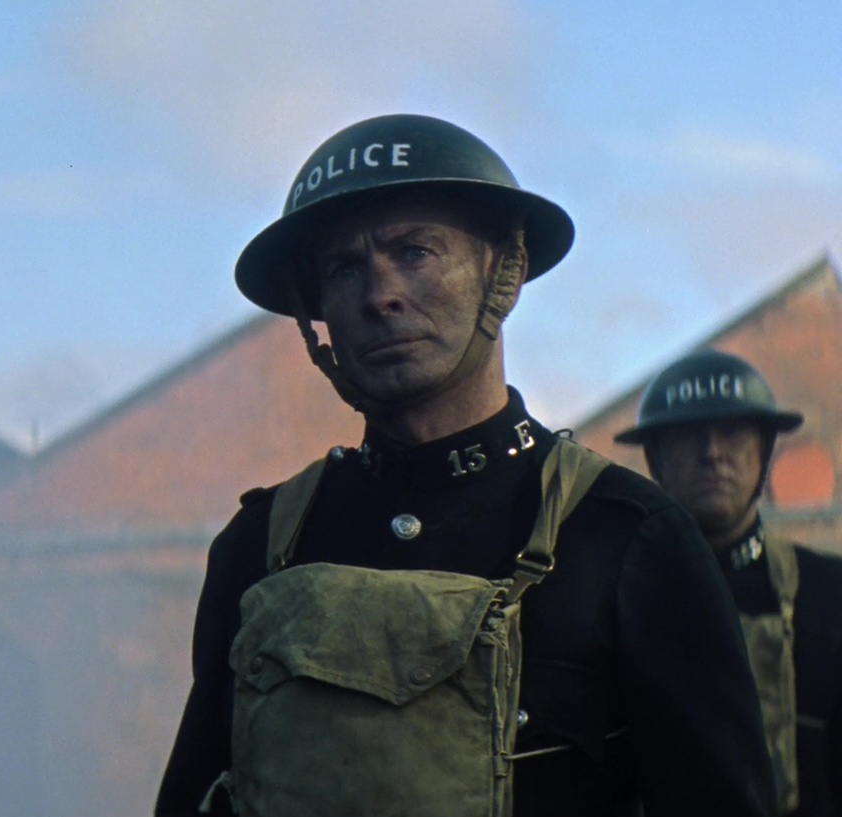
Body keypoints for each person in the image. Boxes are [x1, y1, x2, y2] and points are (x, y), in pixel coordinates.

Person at [153, 113, 775, 816]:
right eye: (344, 268)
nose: (379, 295)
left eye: (415, 251)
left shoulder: (628, 537)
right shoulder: (261, 545)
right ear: (315, 308)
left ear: (505, 271)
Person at [616, 349, 842, 816]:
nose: (713, 453)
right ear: (655, 458)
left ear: (764, 450)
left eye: (733, 432)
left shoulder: (830, 594)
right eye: (688, 436)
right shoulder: (614, 598)